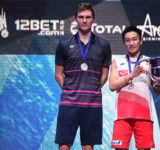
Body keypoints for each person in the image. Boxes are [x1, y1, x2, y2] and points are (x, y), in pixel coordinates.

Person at [109, 26, 160, 150]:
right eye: (127, 40)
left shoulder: (150, 62)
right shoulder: (117, 62)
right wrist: (131, 75)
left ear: (141, 41)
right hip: (122, 116)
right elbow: (112, 86)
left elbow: (157, 89)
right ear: (124, 43)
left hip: (144, 116)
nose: (131, 43)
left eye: (134, 39)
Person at [54, 2, 111, 150]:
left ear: (93, 19)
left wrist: (93, 90)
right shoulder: (63, 44)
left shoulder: (104, 45)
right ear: (75, 19)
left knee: (88, 147)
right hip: (69, 104)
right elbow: (58, 74)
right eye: (81, 17)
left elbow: (105, 73)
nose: (84, 20)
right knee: (64, 146)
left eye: (87, 17)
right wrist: (69, 90)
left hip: (92, 105)